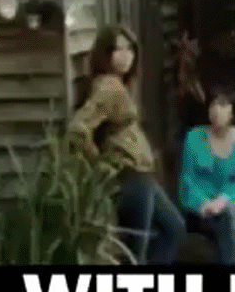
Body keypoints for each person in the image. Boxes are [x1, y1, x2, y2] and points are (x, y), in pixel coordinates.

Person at [68, 25, 186, 265]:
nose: (125, 55)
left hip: (142, 176)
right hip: (129, 177)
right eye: (117, 49)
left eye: (129, 48)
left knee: (173, 229)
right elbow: (78, 129)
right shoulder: (109, 87)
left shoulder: (119, 85)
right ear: (105, 54)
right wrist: (100, 165)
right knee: (137, 253)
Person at [178, 86, 235, 264]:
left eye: (222, 105)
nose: (216, 110)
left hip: (231, 204)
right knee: (232, 225)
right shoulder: (194, 138)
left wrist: (224, 200)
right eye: (212, 105)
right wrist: (203, 203)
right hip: (200, 209)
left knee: (231, 215)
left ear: (233, 110)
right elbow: (187, 181)